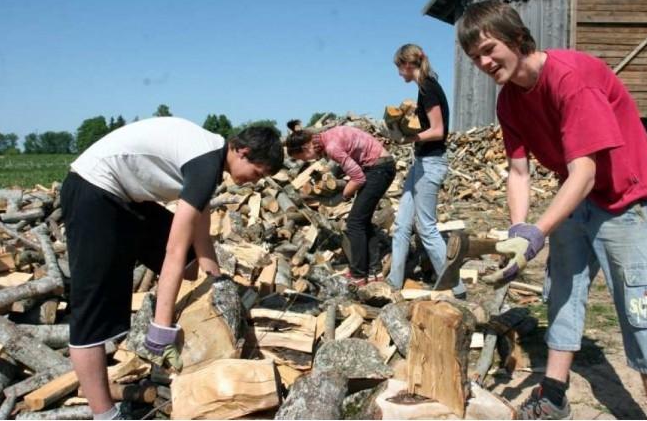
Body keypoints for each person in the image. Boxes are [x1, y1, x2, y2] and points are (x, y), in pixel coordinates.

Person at [458, 0, 647, 420]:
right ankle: (554, 395)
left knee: (643, 304)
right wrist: (519, 232)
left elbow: (586, 173)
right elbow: (518, 172)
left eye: (489, 50)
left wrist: (540, 231)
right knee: (561, 292)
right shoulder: (508, 102)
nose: (484, 63)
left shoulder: (570, 78)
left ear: (516, 38)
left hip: (622, 198)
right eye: (474, 58)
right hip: (575, 199)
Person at [60, 117, 283, 420]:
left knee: (189, 256)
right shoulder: (206, 165)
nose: (254, 182)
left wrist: (216, 280)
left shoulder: (212, 159)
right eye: (257, 173)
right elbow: (174, 250)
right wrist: (161, 328)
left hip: (127, 197)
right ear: (241, 151)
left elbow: (199, 235)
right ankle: (106, 413)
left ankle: (190, 326)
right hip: (93, 192)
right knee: (92, 308)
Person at [387, 43, 467, 299]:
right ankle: (393, 284)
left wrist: (408, 139)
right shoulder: (424, 89)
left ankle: (456, 287)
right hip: (420, 163)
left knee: (426, 228)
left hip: (432, 163)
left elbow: (438, 130)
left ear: (409, 64)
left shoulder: (429, 88)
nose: (399, 73)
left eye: (400, 67)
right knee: (401, 225)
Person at [285, 120, 396, 286]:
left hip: (378, 169)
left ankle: (359, 274)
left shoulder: (331, 147)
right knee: (363, 221)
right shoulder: (327, 136)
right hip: (379, 166)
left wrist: (340, 198)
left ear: (306, 147)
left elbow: (358, 177)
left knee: (354, 223)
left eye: (303, 158)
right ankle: (374, 272)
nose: (308, 161)